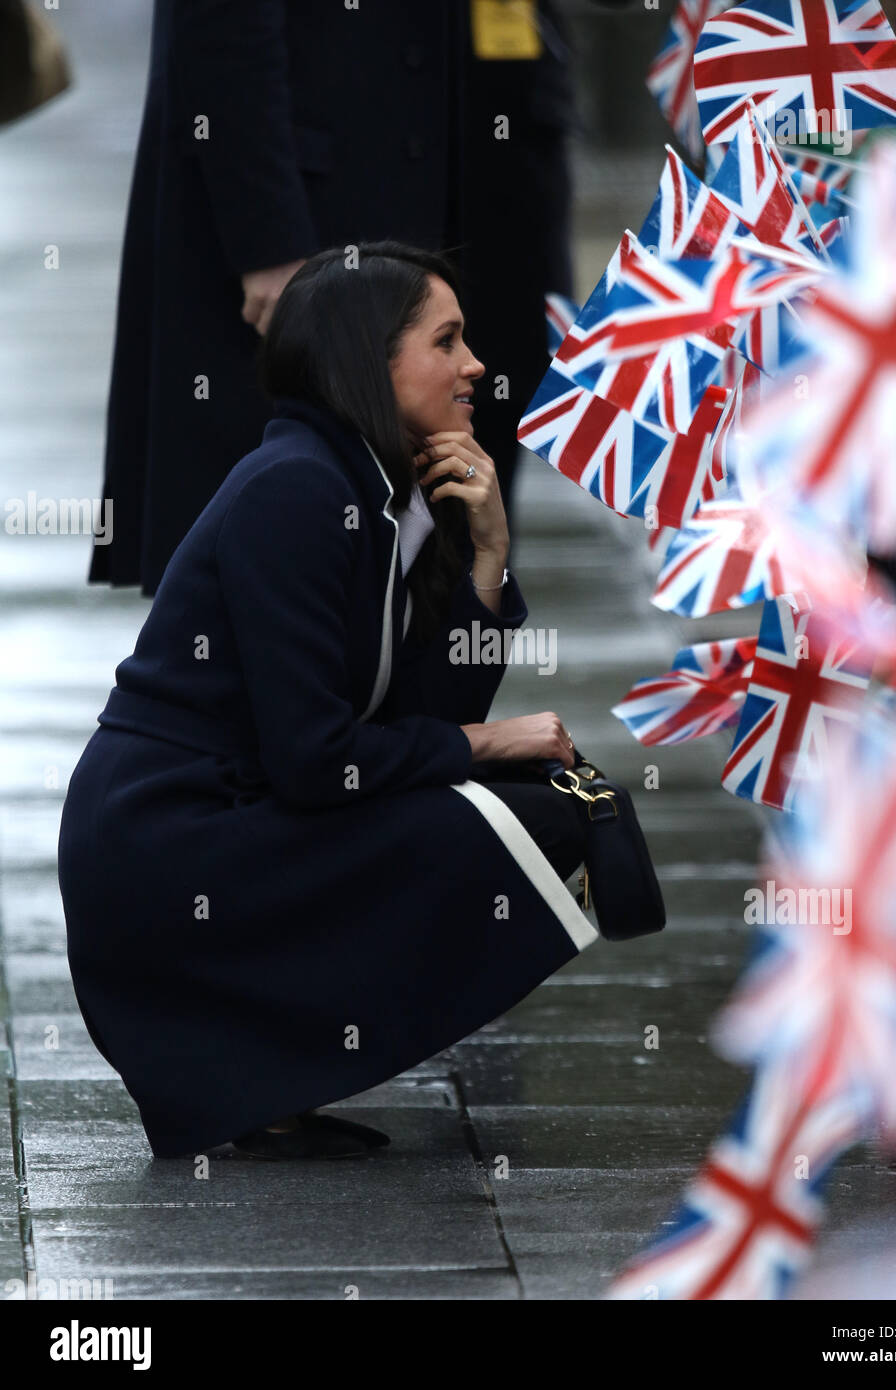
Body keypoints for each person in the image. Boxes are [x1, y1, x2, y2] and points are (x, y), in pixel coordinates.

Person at [58, 242, 602, 1161]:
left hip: (225, 822)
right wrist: (483, 743)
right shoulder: (300, 489)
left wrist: (486, 558)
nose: (474, 366)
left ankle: (269, 1078)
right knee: (530, 823)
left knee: (549, 811)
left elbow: (404, 719)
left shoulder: (365, 483)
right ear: (370, 359)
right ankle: (255, 1068)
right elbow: (319, 761)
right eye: (447, 341)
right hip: (165, 852)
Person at [88, 0, 584, 596]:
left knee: (448, 552)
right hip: (326, 205)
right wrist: (268, 238)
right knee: (290, 560)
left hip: (487, 183)